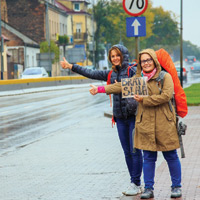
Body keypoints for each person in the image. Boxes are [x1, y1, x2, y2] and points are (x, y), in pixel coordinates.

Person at [89, 49, 182, 199]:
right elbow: (119, 87)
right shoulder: (139, 79)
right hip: (145, 122)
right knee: (148, 156)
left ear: (154, 60)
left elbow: (165, 96)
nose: (146, 63)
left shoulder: (165, 77)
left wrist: (144, 100)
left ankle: (176, 186)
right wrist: (100, 89)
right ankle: (149, 188)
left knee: (170, 155)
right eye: (143, 61)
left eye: (148, 60)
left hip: (164, 122)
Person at [60, 44, 143, 196]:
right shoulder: (110, 73)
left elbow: (124, 87)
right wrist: (71, 66)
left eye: (118, 55)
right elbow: (91, 72)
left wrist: (101, 89)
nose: (115, 58)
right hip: (119, 118)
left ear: (123, 55)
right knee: (126, 152)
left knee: (135, 151)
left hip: (134, 116)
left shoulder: (133, 71)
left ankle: (136, 183)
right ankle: (134, 182)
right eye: (112, 56)